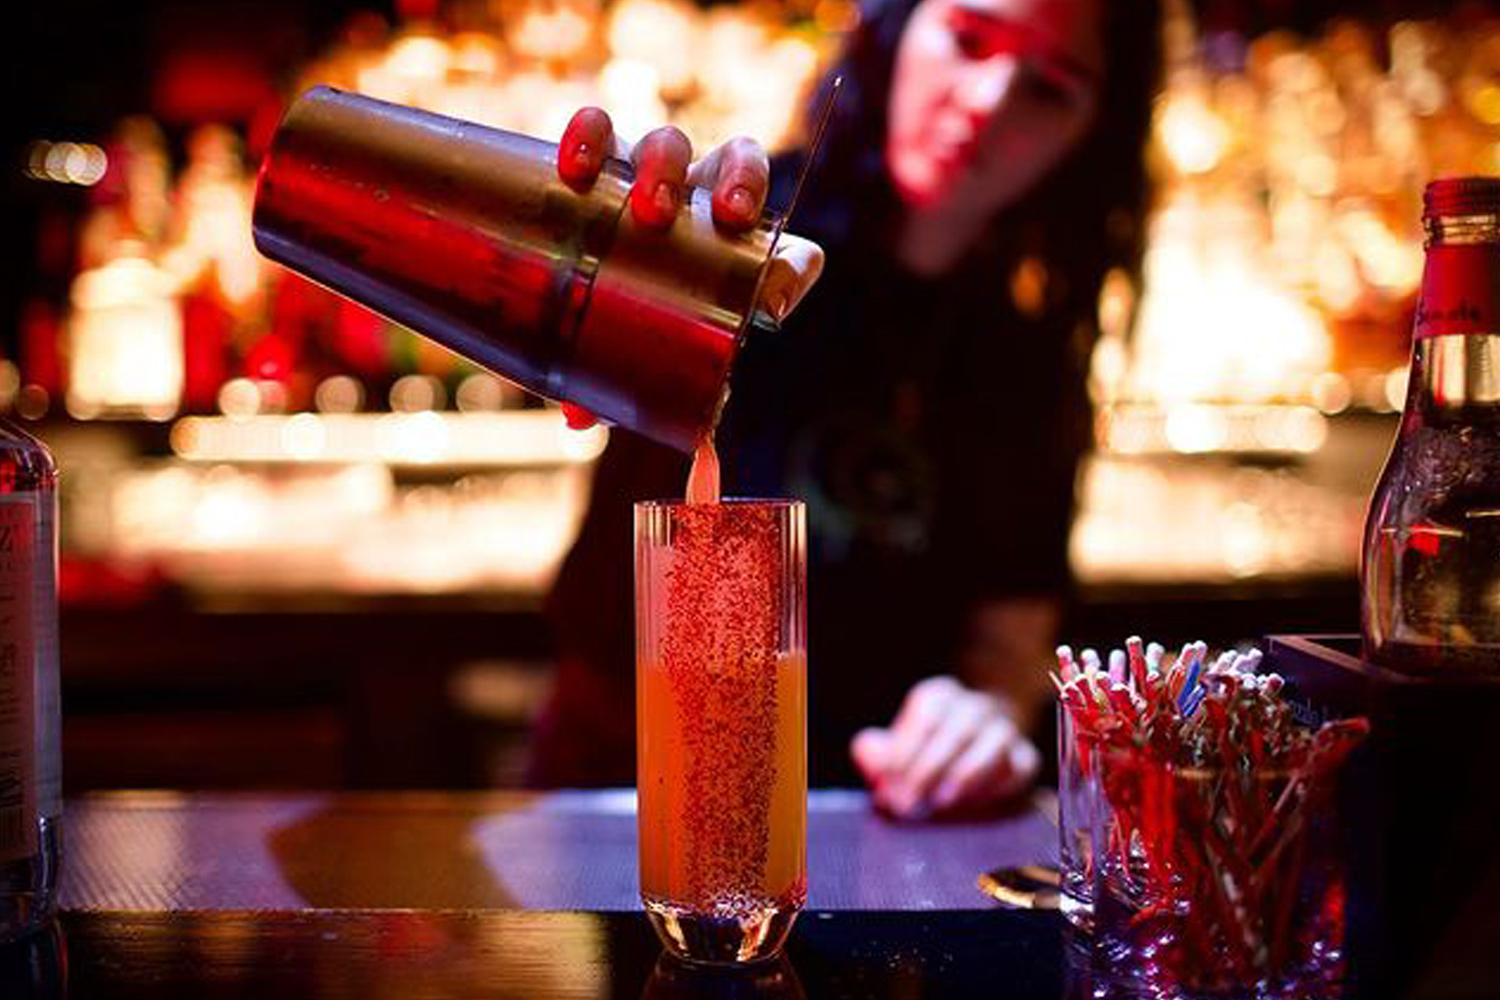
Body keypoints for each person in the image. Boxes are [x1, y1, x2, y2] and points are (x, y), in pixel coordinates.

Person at [528, 0, 1161, 819]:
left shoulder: (1024, 356)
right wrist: (615, 253)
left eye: (1051, 86)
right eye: (969, 39)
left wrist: (984, 723)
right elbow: (564, 333)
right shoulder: (743, 240)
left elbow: (1007, 654)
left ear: (1094, 130)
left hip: (863, 831)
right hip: (622, 799)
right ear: (897, 29)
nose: (989, 101)